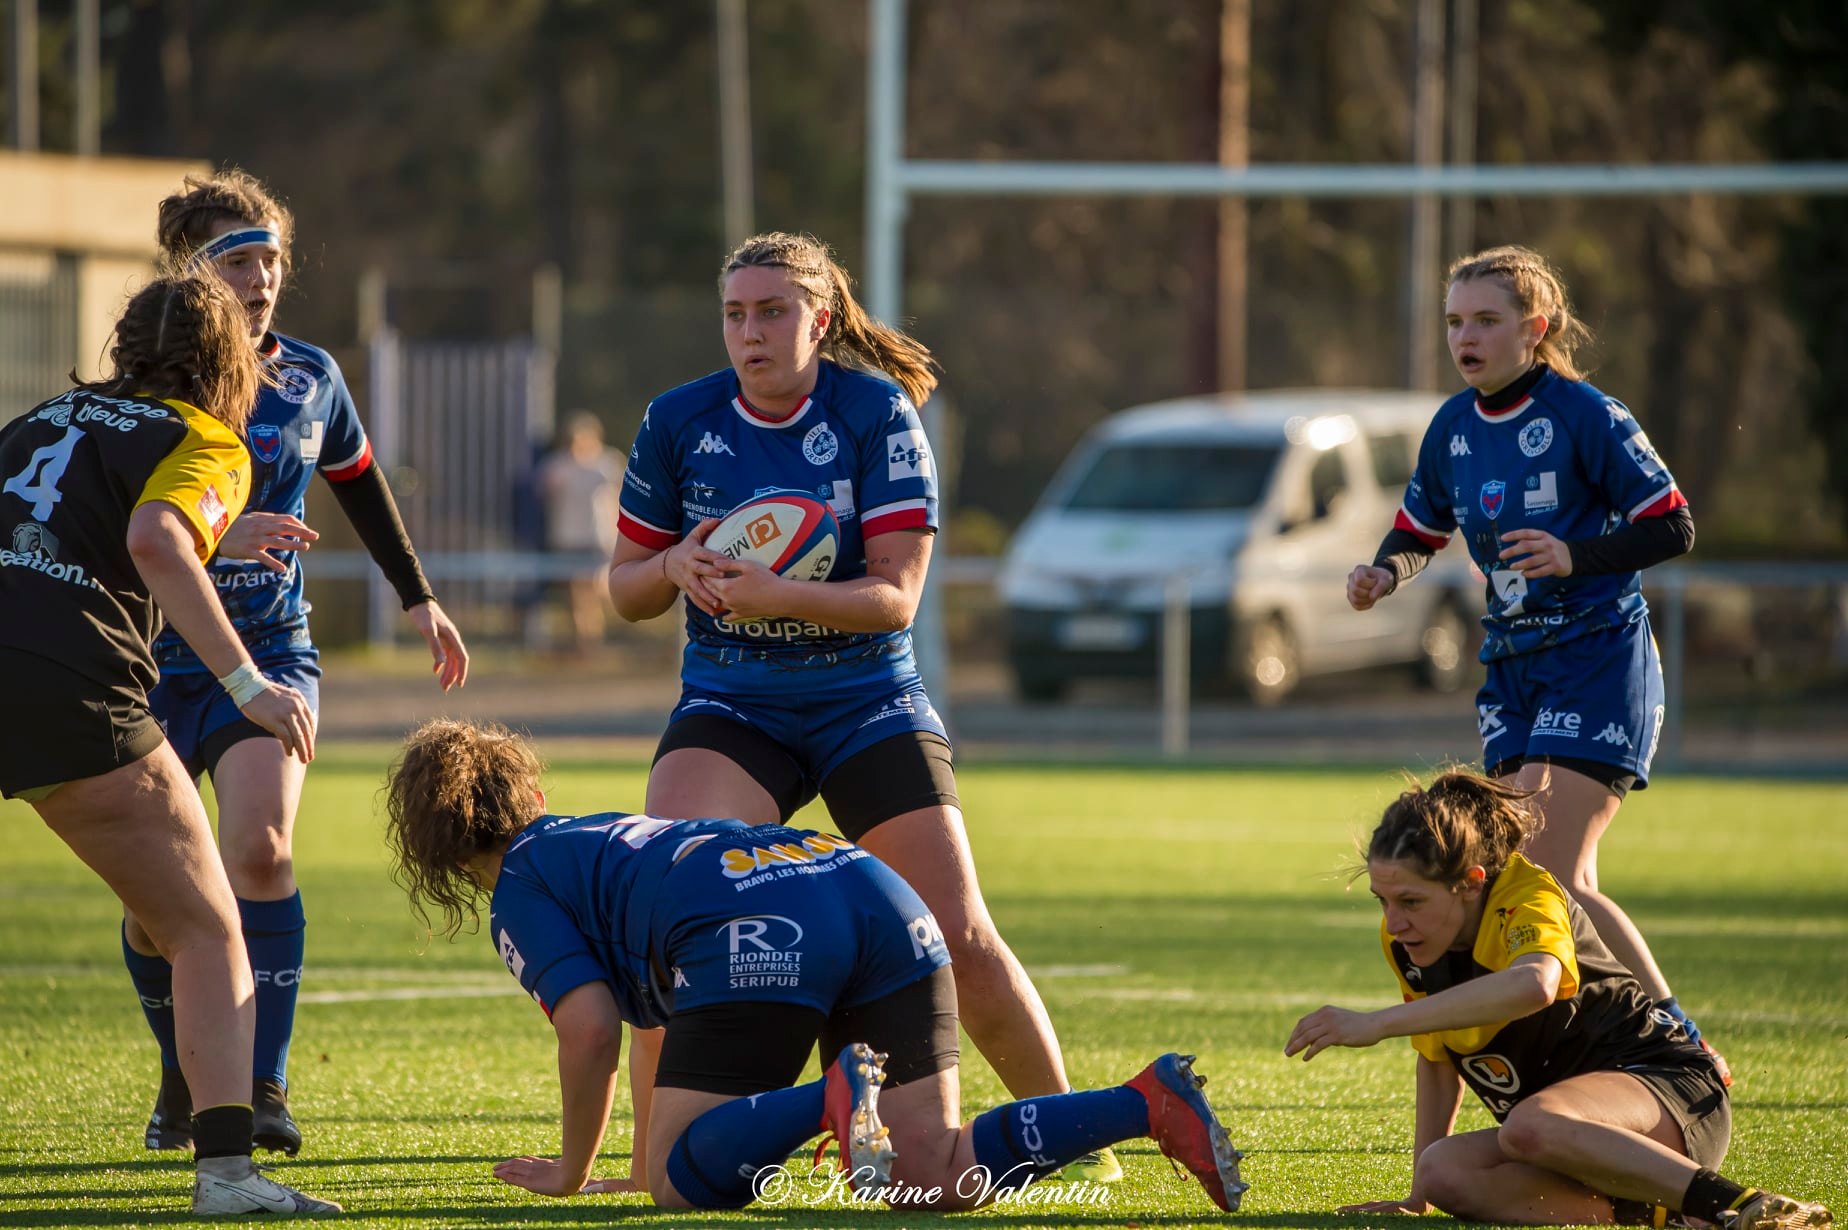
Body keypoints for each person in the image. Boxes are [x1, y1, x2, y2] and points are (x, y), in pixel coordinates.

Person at [605, 231, 1118, 1180]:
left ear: (822, 320)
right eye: (735, 314)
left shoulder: (873, 412)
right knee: (670, 924)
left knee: (955, 934)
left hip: (867, 702)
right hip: (731, 706)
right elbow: (624, 589)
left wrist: (777, 593)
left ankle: (1074, 1138)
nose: (750, 333)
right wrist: (672, 565)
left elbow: (897, 599)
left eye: (773, 312)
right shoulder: (677, 419)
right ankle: (655, 1161)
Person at [380, 717, 1246, 1213]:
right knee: (929, 1175)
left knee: (678, 1183)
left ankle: (835, 1095)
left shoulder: (521, 884)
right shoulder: (595, 835)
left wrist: (572, 1171)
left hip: (763, 923)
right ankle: (1142, 1103)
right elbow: (654, 1009)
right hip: (870, 887)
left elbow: (590, 1029)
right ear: (531, 795)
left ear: (435, 847)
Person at [123, 168, 470, 1157]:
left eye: (271, 258)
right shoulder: (144, 382)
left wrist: (418, 596)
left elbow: (359, 482)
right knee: (157, 901)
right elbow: (117, 521)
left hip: (271, 651)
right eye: (239, 258)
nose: (263, 277)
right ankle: (185, 1079)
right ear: (189, 271)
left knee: (262, 851)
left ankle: (263, 1085)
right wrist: (208, 538)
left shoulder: (311, 376)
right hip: (148, 658)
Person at [0, 270, 339, 1215]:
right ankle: (227, 1172)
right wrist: (248, 684)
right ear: (231, 363)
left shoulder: (45, 416)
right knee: (205, 929)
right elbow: (156, 536)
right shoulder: (205, 438)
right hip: (65, 682)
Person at [1344, 244, 1725, 1081]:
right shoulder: (1452, 427)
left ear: (1535, 328)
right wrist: (1384, 572)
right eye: (1455, 321)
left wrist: (1573, 554)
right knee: (1521, 874)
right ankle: (1590, 1049)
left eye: (1486, 320)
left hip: (1596, 658)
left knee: (1555, 868)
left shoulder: (1587, 414)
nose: (1465, 337)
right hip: (1512, 671)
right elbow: (1418, 529)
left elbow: (1673, 524)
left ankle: (1680, 1043)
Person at [1285, 772, 1829, 1229]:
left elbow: (1536, 983)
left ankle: (1741, 1204)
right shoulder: (1406, 941)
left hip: (1665, 1092)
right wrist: (1416, 1198)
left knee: (1529, 1124)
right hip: (1560, 1133)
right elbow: (1437, 1060)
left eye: (1410, 901)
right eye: (1382, 901)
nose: (1394, 921)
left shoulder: (1527, 894)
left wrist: (1380, 1023)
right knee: (1441, 1170)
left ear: (1470, 883)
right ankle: (1666, 1216)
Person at [537, 411, 621, 652]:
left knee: (596, 590)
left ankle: (591, 637)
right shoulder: (557, 466)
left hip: (598, 538)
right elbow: (543, 492)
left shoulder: (607, 464)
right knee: (577, 596)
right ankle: (585, 642)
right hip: (568, 539)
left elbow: (620, 497)